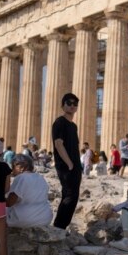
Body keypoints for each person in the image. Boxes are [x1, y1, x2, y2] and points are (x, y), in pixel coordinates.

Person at [52, 93, 82, 230]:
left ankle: (60, 226)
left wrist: (76, 165)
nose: (72, 106)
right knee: (70, 196)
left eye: (75, 103)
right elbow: (59, 144)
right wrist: (69, 163)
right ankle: (59, 226)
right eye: (68, 103)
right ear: (62, 105)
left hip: (75, 165)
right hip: (66, 165)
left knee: (71, 196)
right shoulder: (60, 122)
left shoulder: (74, 126)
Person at [6, 154, 53, 228]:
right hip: (45, 218)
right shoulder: (40, 177)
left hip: (25, 219)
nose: (12, 171)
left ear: (20, 167)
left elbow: (9, 202)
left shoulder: (21, 178)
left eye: (13, 167)